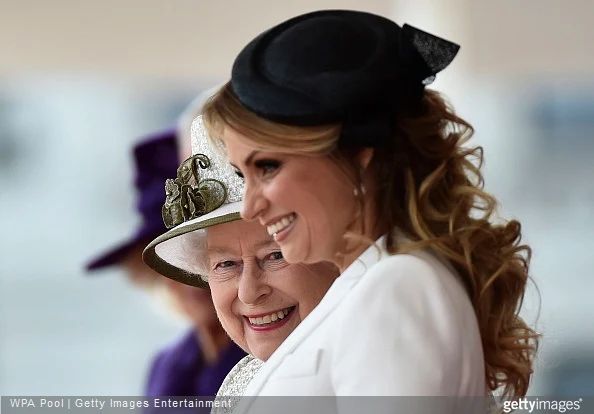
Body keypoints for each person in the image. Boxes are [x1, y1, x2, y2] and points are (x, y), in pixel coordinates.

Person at [198, 8, 540, 408]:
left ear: (358, 154)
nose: (252, 205)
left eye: (267, 167)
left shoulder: (395, 287)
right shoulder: (380, 280)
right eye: (244, 175)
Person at [141, 115, 339, 401]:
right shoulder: (244, 385)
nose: (248, 292)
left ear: (338, 253)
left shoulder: (373, 376)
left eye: (275, 255)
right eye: (226, 264)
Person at [85, 127, 246, 397]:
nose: (191, 273)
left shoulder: (273, 353)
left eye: (207, 252)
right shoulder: (165, 365)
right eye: (172, 255)